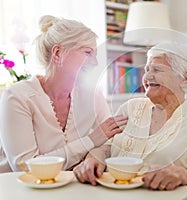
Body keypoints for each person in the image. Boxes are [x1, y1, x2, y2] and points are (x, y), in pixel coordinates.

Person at [73, 42, 187, 199]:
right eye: (146, 70)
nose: (147, 77)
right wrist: (93, 160)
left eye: (157, 70)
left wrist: (186, 175)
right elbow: (106, 148)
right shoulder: (130, 108)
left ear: (185, 78)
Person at [0, 15, 128, 172]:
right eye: (88, 53)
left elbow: (111, 138)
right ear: (58, 53)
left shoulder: (92, 94)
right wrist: (90, 141)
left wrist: (94, 156)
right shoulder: (17, 96)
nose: (95, 63)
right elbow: (26, 168)